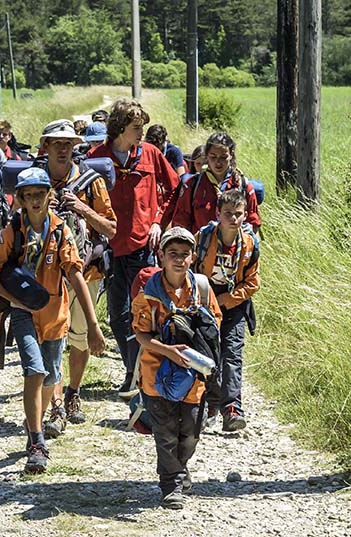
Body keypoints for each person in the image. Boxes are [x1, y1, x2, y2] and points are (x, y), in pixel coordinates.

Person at [0, 167, 106, 474]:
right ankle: (36, 442)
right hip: (24, 313)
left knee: (52, 376)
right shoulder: (14, 230)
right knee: (34, 370)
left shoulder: (61, 230)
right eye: (29, 195)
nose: (35, 200)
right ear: (21, 199)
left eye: (40, 194)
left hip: (55, 313)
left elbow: (75, 273)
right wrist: (14, 300)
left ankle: (33, 418)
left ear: (49, 197)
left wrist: (92, 325)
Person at [86, 98, 181, 400]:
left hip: (143, 246)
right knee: (117, 314)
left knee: (142, 312)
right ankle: (132, 368)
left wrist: (158, 221)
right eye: (136, 128)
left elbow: (175, 187)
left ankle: (136, 376)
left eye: (142, 127)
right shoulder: (96, 157)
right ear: (119, 128)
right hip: (111, 248)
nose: (142, 133)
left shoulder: (151, 154)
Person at [131, 226, 222, 509]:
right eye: (173, 254)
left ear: (193, 257)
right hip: (156, 374)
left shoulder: (203, 289)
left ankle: (180, 469)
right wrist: (168, 350)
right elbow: (141, 334)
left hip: (194, 378)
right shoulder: (149, 293)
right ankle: (170, 485)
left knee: (192, 432)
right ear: (161, 256)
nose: (179, 259)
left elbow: (215, 324)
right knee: (166, 431)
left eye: (185, 254)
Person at [38, 119, 117, 433]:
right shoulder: (35, 180)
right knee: (52, 339)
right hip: (46, 276)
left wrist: (81, 209)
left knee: (80, 338)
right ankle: (56, 407)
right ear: (45, 146)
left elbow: (110, 228)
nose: (62, 149)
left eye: (68, 144)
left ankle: (73, 391)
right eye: (56, 144)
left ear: (75, 147)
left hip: (87, 270)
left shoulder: (90, 182)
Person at [193, 188, 260, 432]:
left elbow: (253, 281)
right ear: (218, 214)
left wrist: (228, 299)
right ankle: (209, 404)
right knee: (207, 354)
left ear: (245, 216)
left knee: (232, 353)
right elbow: (189, 267)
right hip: (204, 301)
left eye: (239, 214)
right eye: (228, 213)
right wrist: (207, 300)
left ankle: (232, 408)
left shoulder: (250, 244)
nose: (233, 218)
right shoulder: (204, 238)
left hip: (234, 304)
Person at [173, 132, 261, 234]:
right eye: (213, 157)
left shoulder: (243, 185)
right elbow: (180, 222)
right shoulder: (193, 185)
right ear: (206, 156)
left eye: (223, 157)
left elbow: (253, 224)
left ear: (231, 155)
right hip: (201, 247)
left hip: (234, 248)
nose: (218, 163)